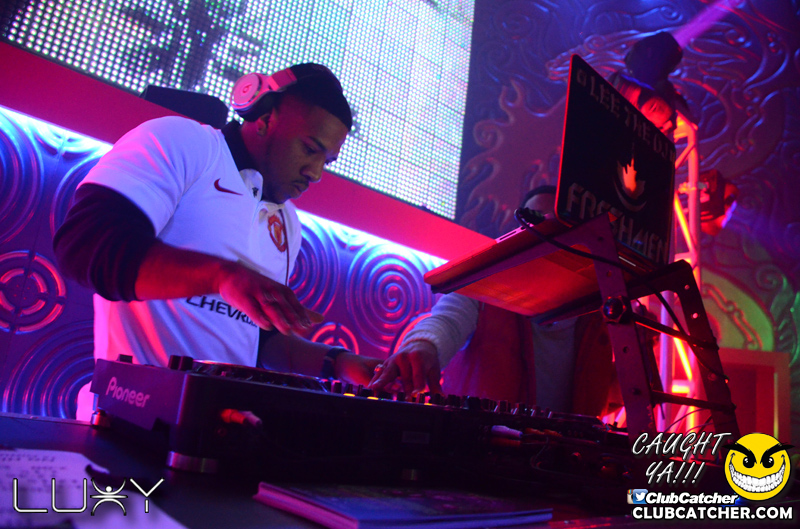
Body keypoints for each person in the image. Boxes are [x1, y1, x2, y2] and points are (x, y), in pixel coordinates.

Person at [54, 63, 380, 418]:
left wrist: (339, 362)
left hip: (222, 428)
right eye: (309, 149)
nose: (315, 173)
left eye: (326, 161)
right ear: (264, 119)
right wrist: (222, 276)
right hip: (127, 418)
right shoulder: (184, 142)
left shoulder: (288, 223)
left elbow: (257, 339)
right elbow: (85, 244)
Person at [370, 186, 659, 416]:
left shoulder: (602, 312)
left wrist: (641, 352)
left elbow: (608, 398)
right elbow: (447, 321)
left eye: (557, 225)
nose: (544, 234)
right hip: (481, 456)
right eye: (534, 222)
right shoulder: (483, 287)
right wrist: (423, 347)